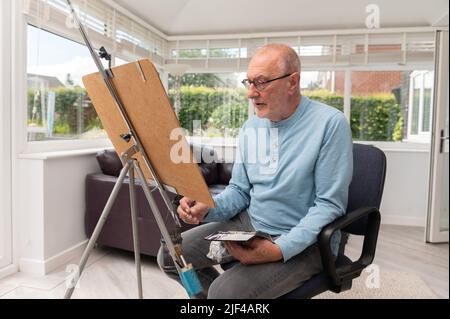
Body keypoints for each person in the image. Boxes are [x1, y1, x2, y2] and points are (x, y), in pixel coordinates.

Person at [157, 43, 353, 299]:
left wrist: (280, 249)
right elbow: (239, 190)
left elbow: (329, 206)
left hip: (307, 242)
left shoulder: (330, 124)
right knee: (172, 255)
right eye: (248, 82)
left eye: (260, 82)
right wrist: (207, 206)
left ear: (292, 82)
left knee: (224, 292)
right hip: (251, 225)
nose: (251, 93)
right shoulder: (252, 127)